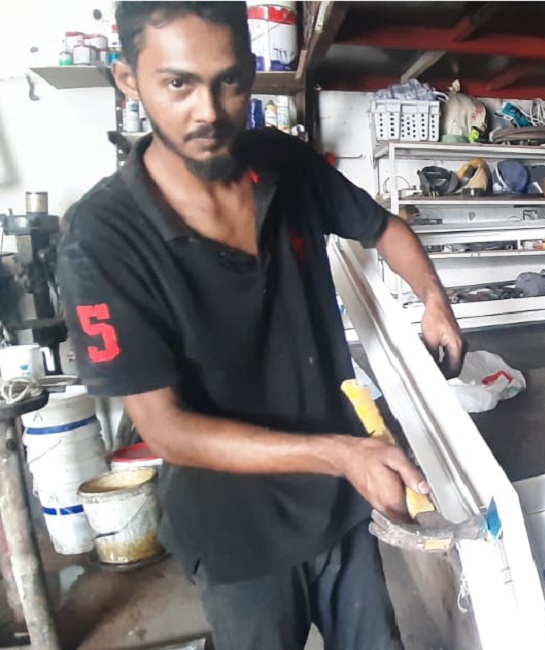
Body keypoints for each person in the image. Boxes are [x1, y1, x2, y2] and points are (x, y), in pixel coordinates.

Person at [55, 2, 466, 648]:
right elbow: (166, 428)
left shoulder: (283, 163)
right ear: (128, 80)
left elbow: (385, 229)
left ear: (250, 71)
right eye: (178, 83)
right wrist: (343, 453)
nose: (209, 112)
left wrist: (434, 299)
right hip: (238, 535)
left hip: (339, 507)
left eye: (228, 81)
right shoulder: (101, 238)